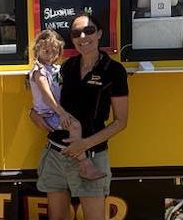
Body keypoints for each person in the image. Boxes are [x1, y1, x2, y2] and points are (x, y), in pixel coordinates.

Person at [30, 12, 129, 220]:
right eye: (76, 33)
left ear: (100, 33)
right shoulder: (67, 67)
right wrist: (33, 113)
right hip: (56, 153)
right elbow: (48, 98)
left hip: (91, 156)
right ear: (72, 39)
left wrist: (83, 145)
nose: (83, 36)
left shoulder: (114, 70)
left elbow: (121, 122)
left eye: (89, 30)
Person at [29, 29, 106, 182]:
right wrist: (62, 113)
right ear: (37, 50)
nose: (50, 54)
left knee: (78, 125)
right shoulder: (39, 71)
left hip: (57, 111)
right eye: (46, 50)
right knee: (75, 126)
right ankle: (85, 164)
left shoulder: (57, 69)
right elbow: (46, 95)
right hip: (49, 114)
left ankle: (75, 155)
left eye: (54, 51)